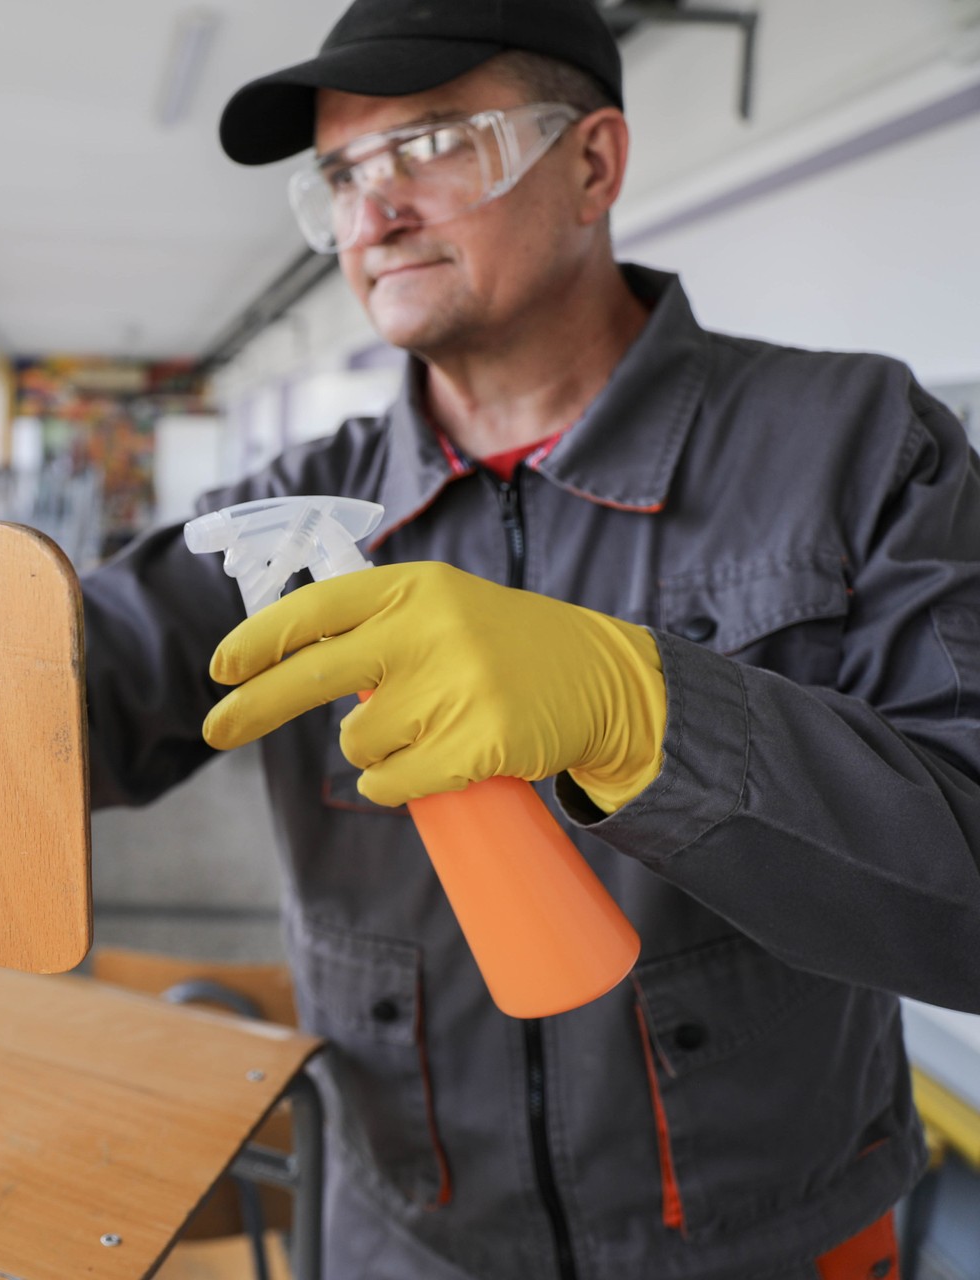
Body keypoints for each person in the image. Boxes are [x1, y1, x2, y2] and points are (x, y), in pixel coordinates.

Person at [81, 0, 980, 1275]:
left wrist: (649, 710)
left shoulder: (853, 446)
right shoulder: (285, 517)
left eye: (433, 143)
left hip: (772, 1237)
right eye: (342, 172)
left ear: (593, 163)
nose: (371, 213)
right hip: (406, 1240)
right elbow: (55, 695)